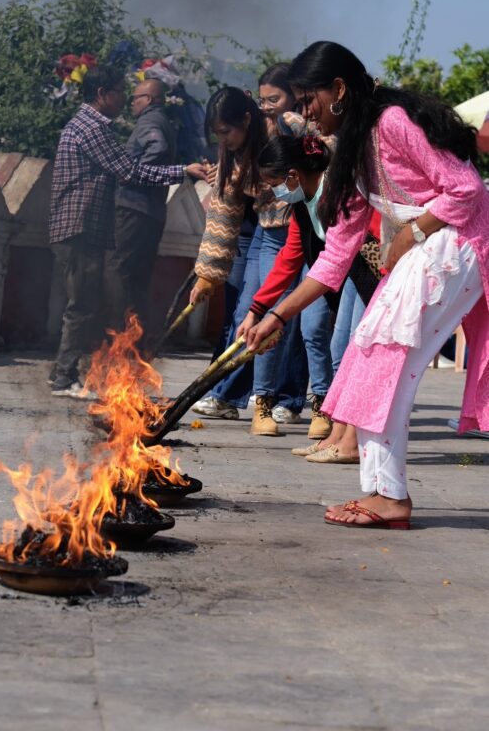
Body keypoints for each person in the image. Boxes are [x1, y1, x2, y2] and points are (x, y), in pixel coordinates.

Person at [245, 40, 488, 528]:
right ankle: (380, 492)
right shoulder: (354, 151)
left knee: (384, 361)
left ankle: (390, 497)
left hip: (457, 246)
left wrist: (412, 232)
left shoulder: (391, 122)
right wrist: (273, 316)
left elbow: (467, 189)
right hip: (429, 251)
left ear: (338, 90)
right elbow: (334, 257)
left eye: (308, 99)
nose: (304, 113)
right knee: (366, 354)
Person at [49, 65, 206, 398]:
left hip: (85, 227)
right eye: (121, 91)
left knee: (86, 300)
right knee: (82, 304)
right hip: (79, 226)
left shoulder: (89, 125)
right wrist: (183, 171)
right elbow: (128, 171)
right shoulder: (92, 129)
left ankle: (68, 373)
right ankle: (63, 377)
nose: (124, 99)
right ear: (103, 94)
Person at [237, 133, 380, 463]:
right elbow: (290, 256)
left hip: (375, 274)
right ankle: (337, 435)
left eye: (275, 182)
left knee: (357, 353)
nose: (275, 192)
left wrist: (276, 316)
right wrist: (258, 309)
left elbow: (346, 254)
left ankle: (352, 441)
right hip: (352, 278)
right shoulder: (302, 205)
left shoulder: (341, 191)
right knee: (339, 349)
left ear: (292, 175)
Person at [190, 86, 302, 435]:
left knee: (272, 319)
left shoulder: (289, 128)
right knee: (244, 316)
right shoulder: (231, 155)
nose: (224, 139)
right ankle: (231, 396)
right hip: (266, 235)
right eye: (218, 134)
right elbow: (224, 213)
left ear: (248, 119)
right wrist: (207, 274)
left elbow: (324, 157)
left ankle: (266, 404)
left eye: (227, 131)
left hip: (298, 233)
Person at [106, 78, 177, 331]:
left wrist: (132, 174)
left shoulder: (150, 121)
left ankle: (115, 332)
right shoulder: (162, 121)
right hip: (152, 211)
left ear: (148, 100)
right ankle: (134, 338)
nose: (131, 103)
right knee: (139, 278)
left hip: (134, 208)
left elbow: (157, 148)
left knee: (120, 271)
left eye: (136, 98)